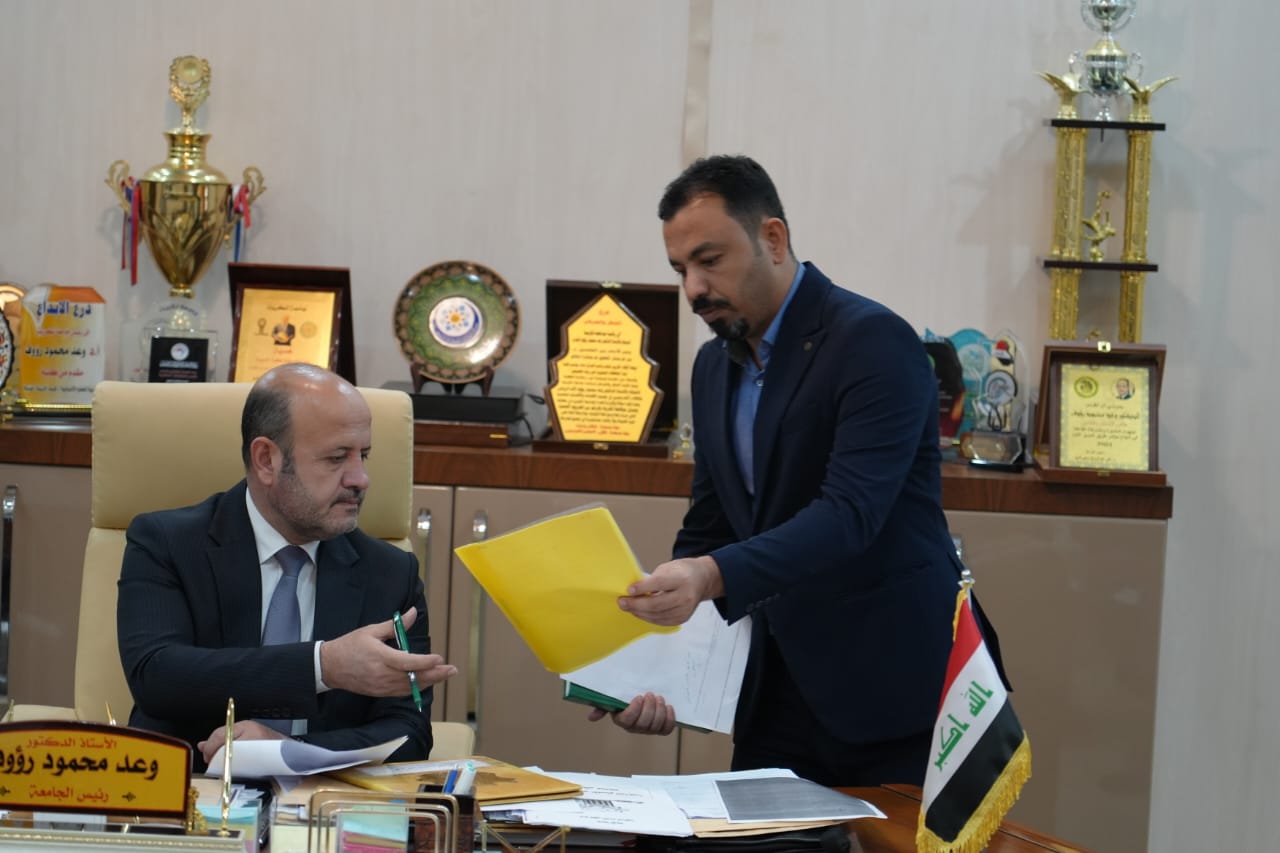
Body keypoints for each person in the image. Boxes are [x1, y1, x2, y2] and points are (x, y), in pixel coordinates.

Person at [592, 155, 1006, 786]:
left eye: (710, 260)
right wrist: (649, 670)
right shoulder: (713, 366)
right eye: (680, 270)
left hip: (891, 688)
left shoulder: (873, 341)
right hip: (774, 694)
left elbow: (849, 515)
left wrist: (708, 576)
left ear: (773, 239)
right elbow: (709, 525)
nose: (693, 289)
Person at [117, 363, 456, 769]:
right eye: (337, 458)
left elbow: (409, 731)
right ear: (267, 460)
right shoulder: (167, 543)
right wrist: (322, 666)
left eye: (363, 456)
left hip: (324, 800)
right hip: (191, 790)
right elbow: (156, 677)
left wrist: (288, 750)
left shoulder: (390, 574)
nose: (361, 478)